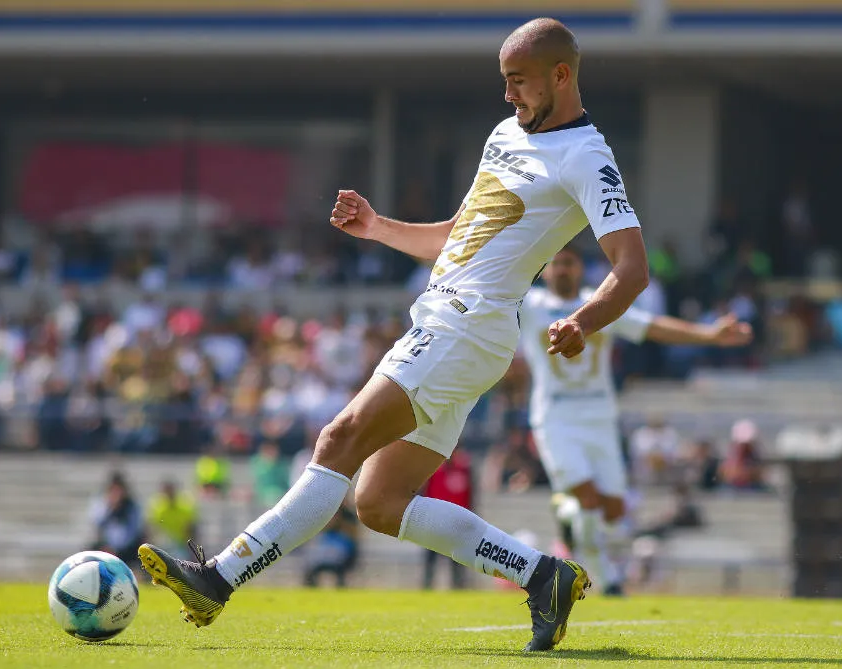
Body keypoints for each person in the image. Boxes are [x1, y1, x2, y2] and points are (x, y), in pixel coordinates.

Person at [139, 18, 650, 652]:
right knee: (379, 502)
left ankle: (218, 578)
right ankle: (544, 576)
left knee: (339, 438)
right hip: (452, 324)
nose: (508, 93)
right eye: (505, 81)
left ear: (561, 75)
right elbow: (459, 235)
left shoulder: (587, 156)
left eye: (518, 81)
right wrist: (378, 227)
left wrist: (583, 320)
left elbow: (632, 268)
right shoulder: (505, 134)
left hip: (467, 325)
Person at [519, 245, 752, 594]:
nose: (563, 269)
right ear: (545, 270)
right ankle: (607, 581)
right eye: (556, 263)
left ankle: (568, 514)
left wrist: (710, 335)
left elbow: (652, 327)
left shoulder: (600, 305)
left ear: (580, 268)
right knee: (588, 500)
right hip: (555, 417)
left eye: (570, 262)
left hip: (599, 418)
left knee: (614, 514)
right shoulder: (529, 305)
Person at [421, 448, 475, 590]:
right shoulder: (434, 469)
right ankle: (427, 586)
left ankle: (458, 586)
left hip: (457, 521)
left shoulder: (464, 468)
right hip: (435, 520)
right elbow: (426, 492)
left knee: (457, 558)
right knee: (431, 557)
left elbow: (470, 495)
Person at [89, 471, 146, 573]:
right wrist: (110, 508)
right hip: (106, 545)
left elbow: (133, 530)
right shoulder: (103, 504)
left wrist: (118, 549)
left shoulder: (131, 506)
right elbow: (98, 523)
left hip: (127, 548)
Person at [146, 480, 199, 557]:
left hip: (181, 546)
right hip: (162, 546)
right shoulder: (157, 507)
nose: (169, 495)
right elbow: (153, 529)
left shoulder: (185, 506)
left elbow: (190, 529)